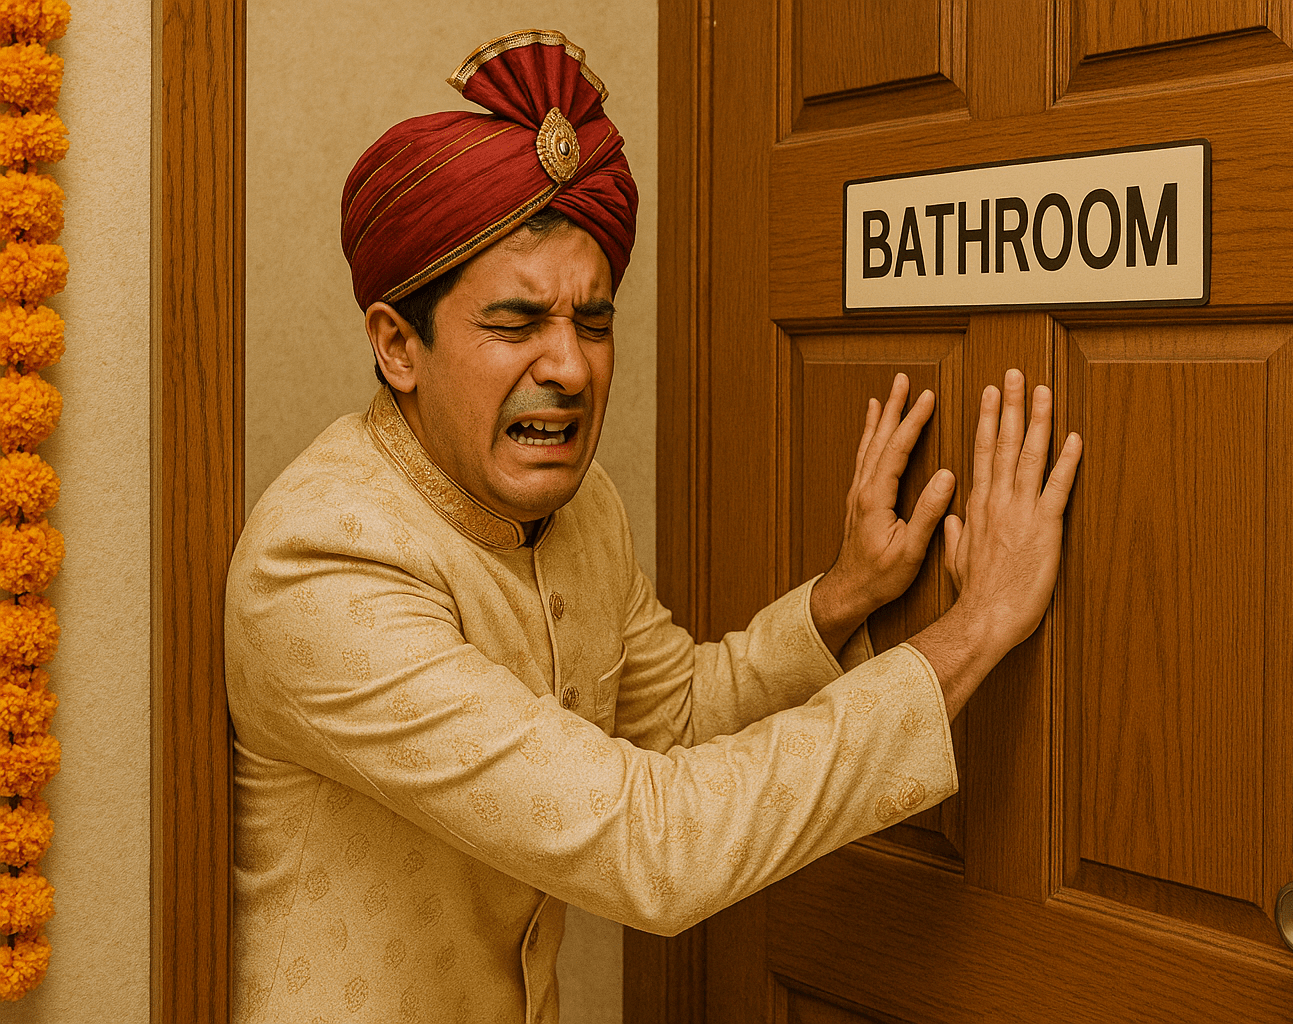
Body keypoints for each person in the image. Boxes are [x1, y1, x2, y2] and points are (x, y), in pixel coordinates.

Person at [225, 29, 1081, 1024]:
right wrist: (974, 629)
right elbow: (653, 842)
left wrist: (846, 594)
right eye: (515, 323)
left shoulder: (580, 505)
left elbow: (667, 717)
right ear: (396, 346)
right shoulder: (322, 566)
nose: (573, 367)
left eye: (593, 322)